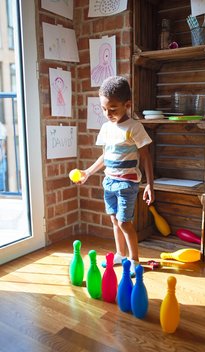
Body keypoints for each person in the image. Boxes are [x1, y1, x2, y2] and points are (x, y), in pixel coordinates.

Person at [79, 76, 154, 277]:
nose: (108, 114)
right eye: (104, 109)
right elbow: (106, 156)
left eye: (113, 109)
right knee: (114, 220)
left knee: (124, 222)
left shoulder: (134, 127)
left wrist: (149, 185)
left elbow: (146, 156)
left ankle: (134, 260)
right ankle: (120, 254)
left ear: (127, 105)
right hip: (109, 182)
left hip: (127, 183)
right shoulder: (106, 128)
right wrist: (88, 172)